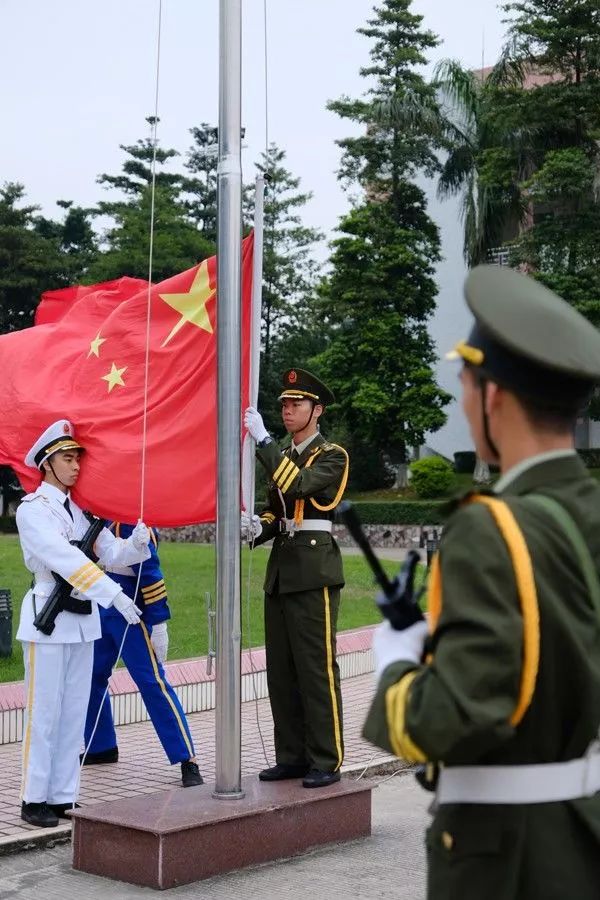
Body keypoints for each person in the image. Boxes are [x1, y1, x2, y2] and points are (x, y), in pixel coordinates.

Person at [363, 265, 600, 900]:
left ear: (492, 395)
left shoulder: (489, 529)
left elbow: (451, 720)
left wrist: (398, 664)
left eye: (466, 382)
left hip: (509, 859)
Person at [16, 420, 151, 828]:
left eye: (77, 458)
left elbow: (111, 554)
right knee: (44, 713)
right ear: (46, 464)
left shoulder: (82, 512)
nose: (75, 466)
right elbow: (67, 560)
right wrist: (113, 595)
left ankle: (61, 796)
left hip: (82, 622)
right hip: (49, 618)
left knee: (73, 713)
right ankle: (32, 797)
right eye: (66, 458)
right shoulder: (32, 510)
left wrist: (138, 543)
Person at [243, 369, 349, 788]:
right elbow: (278, 508)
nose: (288, 411)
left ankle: (326, 758)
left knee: (316, 670)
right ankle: (292, 755)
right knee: (282, 672)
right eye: (284, 405)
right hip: (282, 573)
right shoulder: (284, 454)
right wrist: (259, 527)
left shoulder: (333, 455)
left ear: (316, 410)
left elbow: (302, 486)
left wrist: (265, 443)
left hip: (314, 572)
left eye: (297, 405)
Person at [83, 521, 202, 788]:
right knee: (90, 676)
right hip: (103, 598)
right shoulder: (99, 514)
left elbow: (150, 572)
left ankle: (187, 757)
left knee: (151, 682)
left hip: (131, 607)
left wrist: (158, 621)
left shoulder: (132, 520)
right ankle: (100, 745)